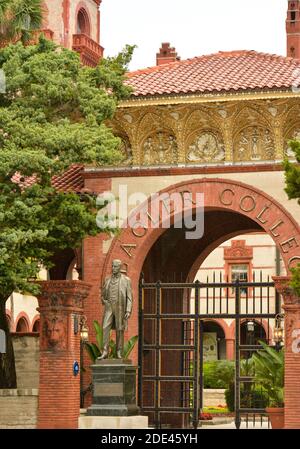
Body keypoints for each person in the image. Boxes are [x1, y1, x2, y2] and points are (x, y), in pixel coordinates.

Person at [98, 259, 133, 360]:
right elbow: (103, 295)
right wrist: (104, 301)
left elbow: (129, 297)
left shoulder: (126, 280)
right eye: (112, 266)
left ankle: (119, 352)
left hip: (120, 307)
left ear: (120, 267)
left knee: (119, 329)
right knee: (105, 328)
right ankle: (104, 351)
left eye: (116, 267)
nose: (113, 268)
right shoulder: (107, 280)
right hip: (109, 307)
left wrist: (128, 310)